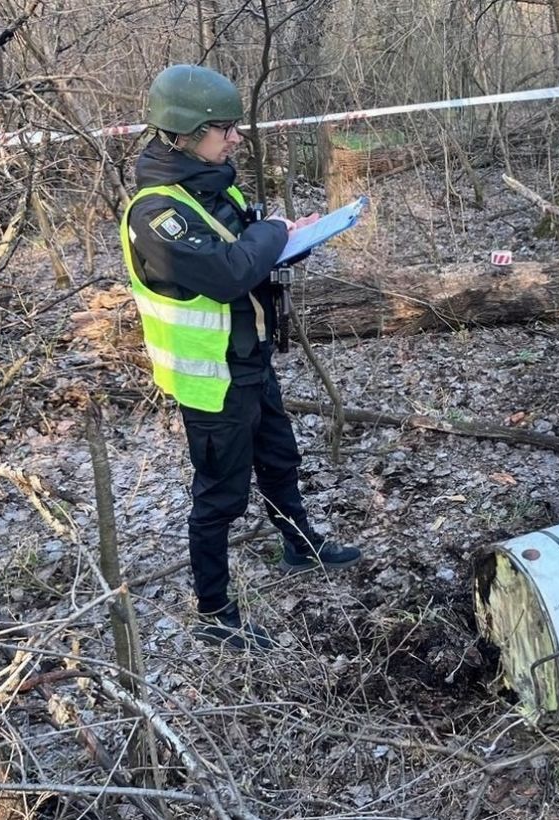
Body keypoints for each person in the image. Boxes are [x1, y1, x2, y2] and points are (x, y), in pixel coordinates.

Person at [120, 64, 360, 651]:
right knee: (220, 494)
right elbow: (230, 272)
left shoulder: (211, 185)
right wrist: (273, 235)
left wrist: (285, 235)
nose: (234, 139)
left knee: (279, 457)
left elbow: (247, 243)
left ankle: (300, 548)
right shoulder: (158, 213)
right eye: (223, 128)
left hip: (249, 358)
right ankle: (214, 609)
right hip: (211, 379)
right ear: (185, 132)